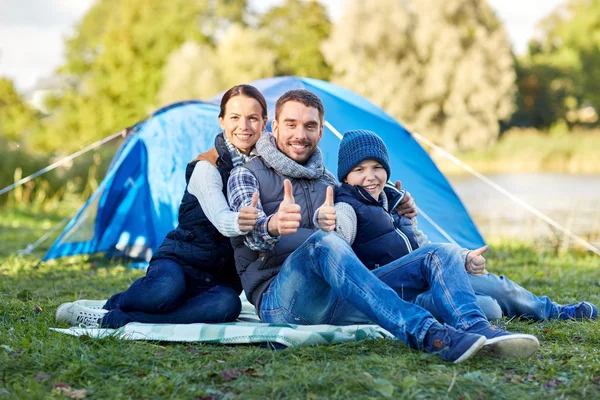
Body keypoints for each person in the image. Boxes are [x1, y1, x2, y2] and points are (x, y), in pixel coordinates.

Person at [227, 89, 539, 363]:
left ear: (321, 131)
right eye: (291, 124)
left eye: (310, 125)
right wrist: (272, 226)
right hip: (282, 301)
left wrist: (395, 208)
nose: (300, 133)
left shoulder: (330, 184)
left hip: (337, 297)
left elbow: (359, 223)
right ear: (275, 126)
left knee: (438, 252)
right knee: (324, 244)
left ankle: (477, 329)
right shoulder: (246, 174)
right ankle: (429, 335)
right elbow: (245, 228)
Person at [325, 129, 598, 324]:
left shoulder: (396, 201)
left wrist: (463, 259)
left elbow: (425, 247)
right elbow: (339, 232)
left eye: (376, 167)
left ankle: (556, 311)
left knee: (498, 287)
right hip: (398, 295)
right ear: (346, 177)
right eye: (359, 170)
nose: (370, 177)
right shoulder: (346, 207)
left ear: (386, 170)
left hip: (431, 276)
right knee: (489, 309)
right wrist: (330, 225)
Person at [55, 84, 268, 328]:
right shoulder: (206, 167)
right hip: (180, 263)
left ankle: (118, 316)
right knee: (164, 291)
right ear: (221, 121)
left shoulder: (267, 170)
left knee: (227, 306)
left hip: (219, 279)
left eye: (252, 118)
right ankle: (112, 306)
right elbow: (221, 219)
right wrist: (242, 221)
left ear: (264, 122)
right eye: (235, 117)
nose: (244, 126)